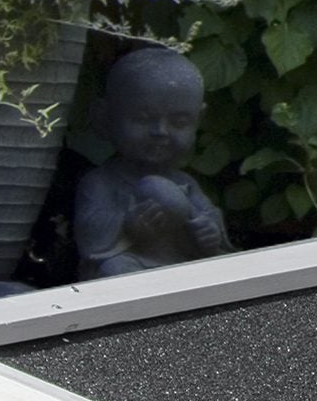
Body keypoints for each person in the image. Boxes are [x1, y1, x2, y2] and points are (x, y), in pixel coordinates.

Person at [74, 47, 229, 277]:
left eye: (179, 122)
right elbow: (90, 234)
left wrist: (209, 231)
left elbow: (207, 216)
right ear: (104, 119)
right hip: (133, 264)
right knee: (115, 269)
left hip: (181, 265)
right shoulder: (100, 182)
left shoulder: (184, 182)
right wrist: (128, 225)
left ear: (198, 121)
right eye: (143, 119)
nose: (160, 132)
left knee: (222, 271)